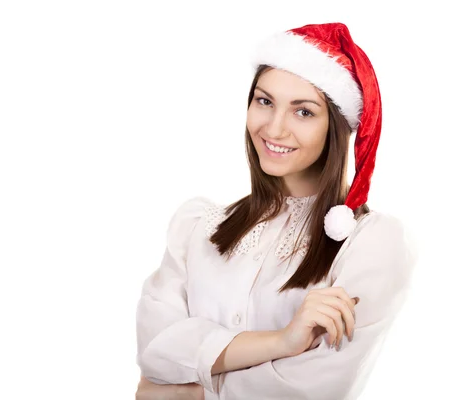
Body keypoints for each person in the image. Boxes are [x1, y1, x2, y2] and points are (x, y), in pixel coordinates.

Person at [135, 22, 418, 400]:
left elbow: (314, 388)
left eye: (303, 112)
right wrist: (283, 342)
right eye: (264, 101)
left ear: (337, 127)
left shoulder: (371, 242)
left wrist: (189, 390)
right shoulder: (197, 228)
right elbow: (156, 351)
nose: (274, 128)